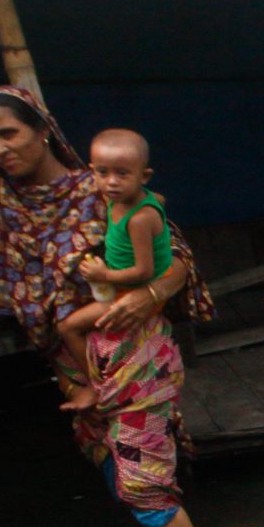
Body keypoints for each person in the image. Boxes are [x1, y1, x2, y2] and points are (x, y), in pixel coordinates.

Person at [0, 87, 212, 527]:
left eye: (9, 133)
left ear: (43, 132)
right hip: (76, 367)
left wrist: (149, 293)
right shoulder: (15, 217)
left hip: (132, 354)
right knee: (120, 465)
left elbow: (178, 260)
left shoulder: (105, 189)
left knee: (144, 481)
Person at [55, 128, 168, 413]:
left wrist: (103, 276)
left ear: (144, 176)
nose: (111, 182)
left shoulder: (140, 218)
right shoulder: (118, 199)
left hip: (135, 291)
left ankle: (96, 386)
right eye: (102, 173)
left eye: (122, 174)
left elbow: (143, 271)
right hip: (121, 283)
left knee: (67, 326)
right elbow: (160, 199)